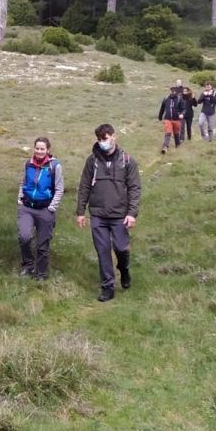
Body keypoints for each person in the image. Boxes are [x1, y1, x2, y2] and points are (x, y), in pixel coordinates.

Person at [75, 124, 142, 302]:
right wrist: (80, 211)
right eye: (99, 139)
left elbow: (135, 188)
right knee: (103, 250)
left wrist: (132, 213)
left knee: (121, 248)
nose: (102, 142)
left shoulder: (127, 160)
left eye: (104, 138)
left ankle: (124, 269)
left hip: (120, 214)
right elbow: (84, 187)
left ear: (114, 137)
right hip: (98, 214)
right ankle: (107, 287)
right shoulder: (92, 161)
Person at [16, 137, 63, 281]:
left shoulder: (54, 166)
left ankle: (41, 273)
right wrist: (20, 198)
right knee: (24, 237)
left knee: (43, 244)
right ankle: (28, 265)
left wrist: (51, 208)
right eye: (37, 148)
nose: (39, 151)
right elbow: (24, 182)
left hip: (45, 210)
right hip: (27, 207)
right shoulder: (28, 164)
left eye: (42, 149)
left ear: (48, 150)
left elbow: (59, 188)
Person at [157, 86, 185, 154]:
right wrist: (160, 116)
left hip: (176, 119)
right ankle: (165, 147)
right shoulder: (166, 99)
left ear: (176, 92)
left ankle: (177, 145)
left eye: (174, 91)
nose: (172, 93)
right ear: (169, 91)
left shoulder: (179, 99)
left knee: (176, 133)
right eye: (171, 91)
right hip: (168, 119)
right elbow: (162, 108)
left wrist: (182, 114)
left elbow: (183, 109)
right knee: (168, 132)